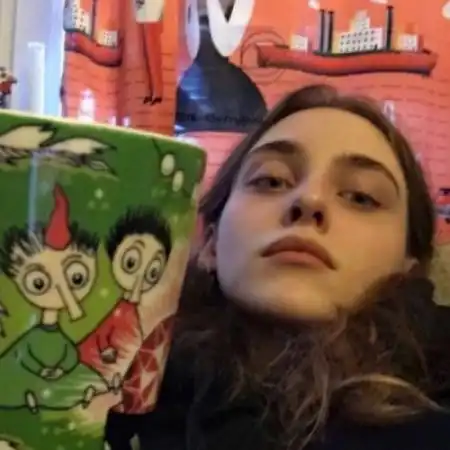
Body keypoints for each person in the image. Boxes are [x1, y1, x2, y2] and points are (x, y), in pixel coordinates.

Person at [105, 84, 450, 450]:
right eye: (271, 180)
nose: (309, 200)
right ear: (210, 243)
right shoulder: (104, 380)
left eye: (361, 196)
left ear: (408, 268)